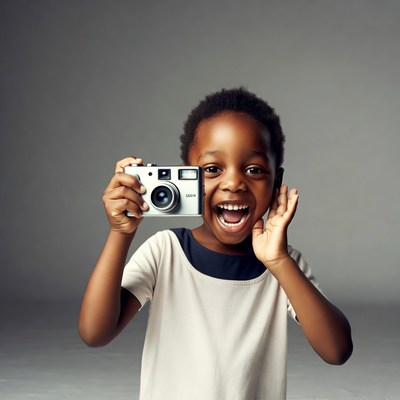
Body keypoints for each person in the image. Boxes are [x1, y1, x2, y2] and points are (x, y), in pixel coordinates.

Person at [78, 88, 353, 399]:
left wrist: (279, 263)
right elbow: (95, 332)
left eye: (253, 170)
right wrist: (120, 233)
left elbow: (337, 350)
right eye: (212, 169)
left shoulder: (283, 263)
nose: (234, 182)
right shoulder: (165, 251)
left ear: (276, 181)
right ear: (188, 177)